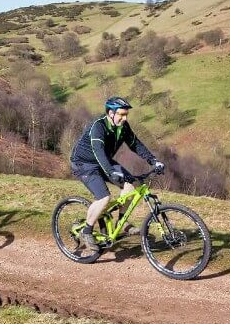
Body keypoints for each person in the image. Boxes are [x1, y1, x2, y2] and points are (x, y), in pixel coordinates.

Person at [69, 97, 164, 249]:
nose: (124, 118)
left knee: (132, 183)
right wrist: (111, 171)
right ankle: (86, 231)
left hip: (104, 161)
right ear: (110, 113)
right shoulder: (98, 127)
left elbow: (136, 144)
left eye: (126, 115)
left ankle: (122, 223)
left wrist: (153, 160)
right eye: (121, 114)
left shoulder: (123, 126)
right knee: (104, 197)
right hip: (84, 164)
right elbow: (98, 151)